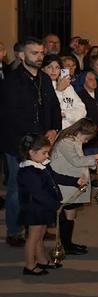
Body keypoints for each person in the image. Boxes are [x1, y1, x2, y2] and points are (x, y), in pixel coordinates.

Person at [2, 38, 63, 248]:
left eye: (41, 53)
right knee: (17, 189)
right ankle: (14, 230)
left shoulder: (44, 79)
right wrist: (35, 141)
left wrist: (55, 128)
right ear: (21, 55)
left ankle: (35, 227)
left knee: (39, 189)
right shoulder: (11, 81)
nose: (39, 56)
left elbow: (54, 107)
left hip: (42, 144)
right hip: (19, 145)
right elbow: (11, 116)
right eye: (34, 53)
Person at [18, 134, 79, 275]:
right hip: (34, 209)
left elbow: (55, 177)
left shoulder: (41, 165)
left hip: (43, 208)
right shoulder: (28, 171)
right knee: (33, 237)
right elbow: (38, 193)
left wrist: (74, 181)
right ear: (31, 153)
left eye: (47, 152)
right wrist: (55, 204)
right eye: (44, 153)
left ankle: (42, 260)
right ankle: (29, 265)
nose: (47, 156)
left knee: (40, 236)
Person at [49, 119, 98, 255]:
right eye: (86, 138)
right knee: (69, 214)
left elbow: (79, 158)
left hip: (72, 182)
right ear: (80, 131)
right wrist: (94, 157)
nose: (86, 142)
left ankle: (67, 243)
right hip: (66, 183)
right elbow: (76, 160)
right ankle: (66, 245)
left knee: (70, 215)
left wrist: (93, 163)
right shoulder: (66, 142)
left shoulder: (73, 141)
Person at [45, 57, 86, 128]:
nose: (53, 70)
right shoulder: (41, 87)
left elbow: (82, 111)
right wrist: (59, 91)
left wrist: (65, 114)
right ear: (43, 69)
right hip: (53, 130)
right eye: (49, 67)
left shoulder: (68, 87)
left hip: (71, 131)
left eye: (57, 67)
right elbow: (50, 111)